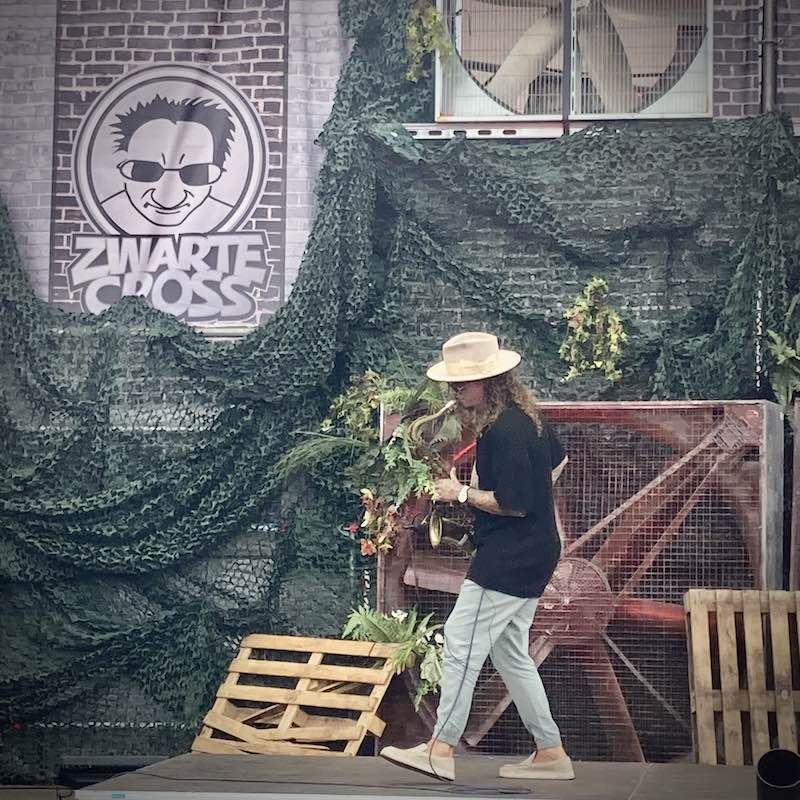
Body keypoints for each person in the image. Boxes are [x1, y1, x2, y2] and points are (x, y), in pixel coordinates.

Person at [380, 331, 573, 783]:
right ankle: (550, 752)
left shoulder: (504, 431)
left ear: (491, 380)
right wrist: (524, 491)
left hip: (509, 555)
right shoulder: (526, 419)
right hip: (534, 550)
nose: (454, 390)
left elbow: (514, 503)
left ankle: (440, 748)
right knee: (511, 654)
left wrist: (460, 492)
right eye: (452, 382)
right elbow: (558, 463)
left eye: (463, 383)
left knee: (461, 640)